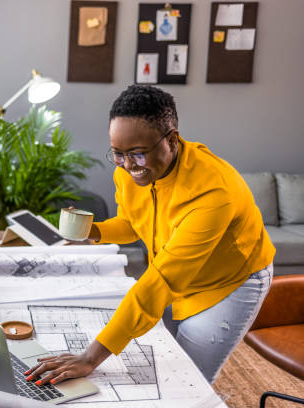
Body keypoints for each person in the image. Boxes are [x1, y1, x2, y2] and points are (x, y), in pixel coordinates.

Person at [25, 84, 275, 384]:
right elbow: (133, 223)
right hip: (180, 274)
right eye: (118, 154)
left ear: (171, 139)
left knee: (187, 379)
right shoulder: (130, 171)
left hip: (229, 284)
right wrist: (94, 232)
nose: (128, 166)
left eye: (138, 154)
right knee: (165, 358)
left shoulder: (213, 190)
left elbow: (162, 281)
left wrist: (90, 357)